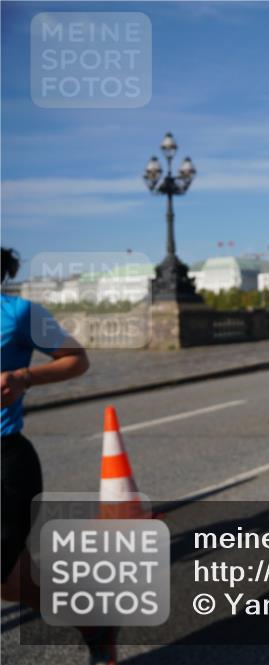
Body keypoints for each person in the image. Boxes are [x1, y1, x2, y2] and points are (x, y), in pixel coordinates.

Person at [1, 248, 102, 661]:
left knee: (6, 576)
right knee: (13, 583)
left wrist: (22, 377)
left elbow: (77, 359)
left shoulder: (19, 314)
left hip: (5, 460)